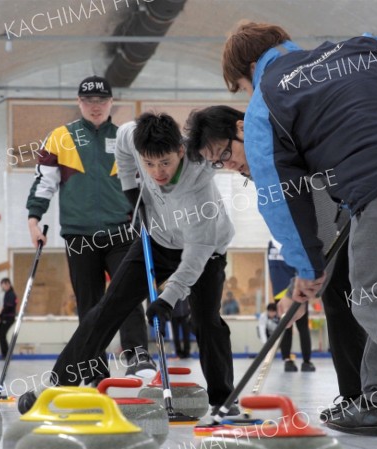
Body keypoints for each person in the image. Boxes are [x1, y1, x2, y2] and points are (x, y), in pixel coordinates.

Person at [212, 22, 377, 442]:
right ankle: (372, 402)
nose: (248, 94)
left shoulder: (268, 99)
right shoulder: (354, 48)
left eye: (243, 86)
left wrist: (305, 267)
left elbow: (279, 195)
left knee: (373, 298)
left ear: (249, 69)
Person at [18, 112, 239, 417]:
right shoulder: (131, 137)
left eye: (164, 163)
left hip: (206, 249)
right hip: (157, 238)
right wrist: (130, 191)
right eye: (148, 164)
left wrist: (167, 299)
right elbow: (123, 149)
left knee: (205, 321)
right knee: (107, 308)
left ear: (179, 150)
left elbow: (195, 257)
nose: (157, 172)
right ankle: (56, 386)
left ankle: (224, 398)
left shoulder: (198, 186)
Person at [26, 75, 154, 381]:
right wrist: (34, 219)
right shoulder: (60, 137)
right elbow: (44, 182)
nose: (95, 107)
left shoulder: (127, 136)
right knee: (90, 304)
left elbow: (146, 179)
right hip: (79, 234)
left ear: (111, 102)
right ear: (79, 103)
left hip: (122, 231)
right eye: (88, 102)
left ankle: (137, 353)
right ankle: (95, 367)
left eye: (101, 101)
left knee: (129, 292)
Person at [268, 239, 314, 372]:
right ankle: (306, 362)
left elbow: (271, 269)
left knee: (285, 328)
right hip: (295, 288)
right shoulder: (288, 238)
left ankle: (287, 360)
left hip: (279, 291)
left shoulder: (271, 244)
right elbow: (299, 263)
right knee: (303, 327)